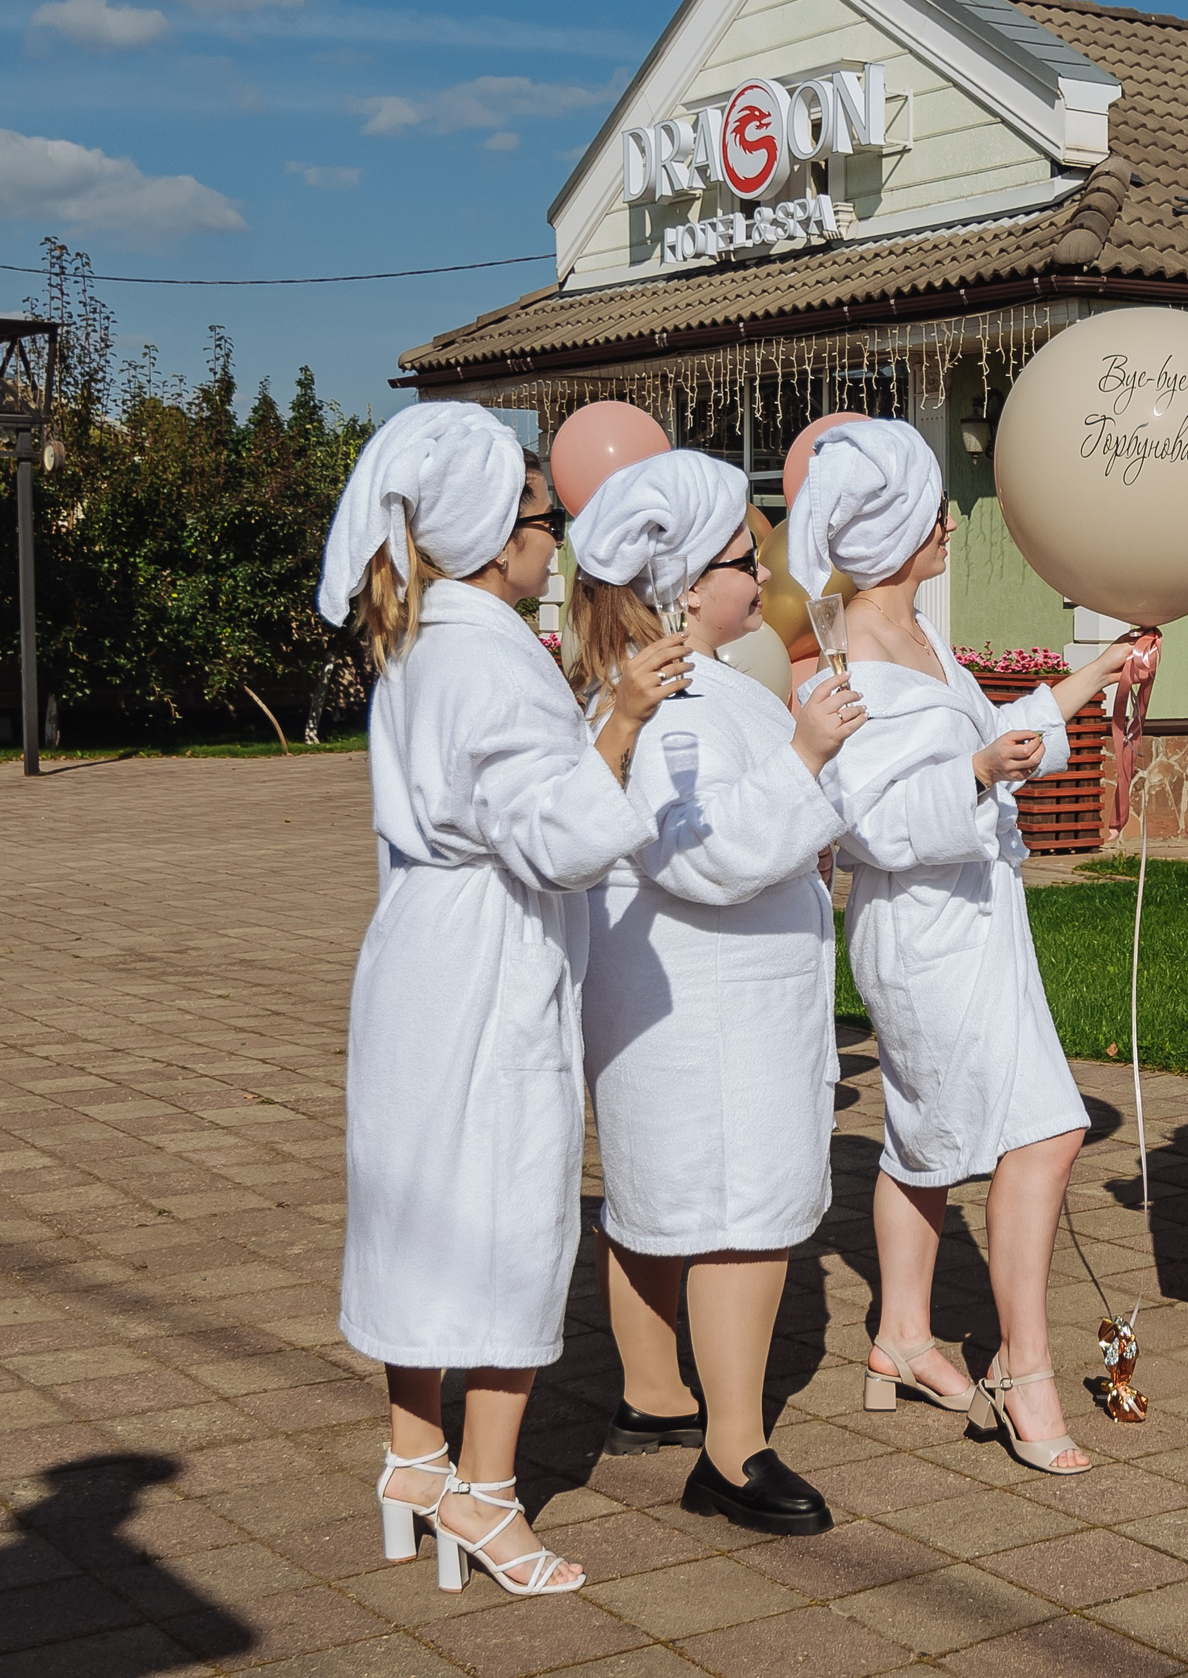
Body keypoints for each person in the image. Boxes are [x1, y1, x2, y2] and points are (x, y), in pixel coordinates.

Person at [325, 405, 689, 1597]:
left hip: (417, 952)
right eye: (545, 519)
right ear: (498, 538)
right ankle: (485, 1493)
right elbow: (560, 839)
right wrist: (626, 719)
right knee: (504, 1214)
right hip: (485, 964)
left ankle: (413, 1457)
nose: (557, 541)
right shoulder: (488, 658)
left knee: (417, 1205)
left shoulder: (424, 643)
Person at [788, 419, 1131, 1476]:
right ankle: (1022, 1364)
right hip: (922, 929)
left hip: (978, 920)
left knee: (923, 1136)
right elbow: (875, 826)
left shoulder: (924, 640)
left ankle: (898, 1336)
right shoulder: (844, 665)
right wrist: (978, 774)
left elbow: (993, 734)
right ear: (892, 534)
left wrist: (1097, 675)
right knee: (1046, 1130)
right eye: (932, 509)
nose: (949, 522)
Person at [568, 449, 865, 1535]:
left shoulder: (696, 686)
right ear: (688, 584)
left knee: (659, 1196)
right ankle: (733, 1454)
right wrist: (807, 754)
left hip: (690, 1000)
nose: (763, 576)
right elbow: (697, 856)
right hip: (714, 1010)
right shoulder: (679, 705)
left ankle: (653, 1395)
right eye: (747, 558)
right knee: (739, 1212)